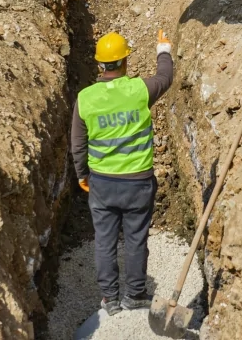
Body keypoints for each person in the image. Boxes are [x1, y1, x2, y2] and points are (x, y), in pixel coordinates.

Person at [70, 30, 174, 315]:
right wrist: (163, 50)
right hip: (138, 183)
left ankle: (110, 299)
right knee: (136, 239)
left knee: (104, 241)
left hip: (102, 182)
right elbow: (165, 77)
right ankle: (135, 295)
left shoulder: (86, 98)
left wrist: (82, 175)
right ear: (125, 60)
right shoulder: (139, 90)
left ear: (100, 65)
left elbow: (78, 143)